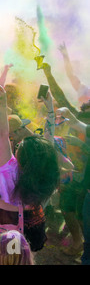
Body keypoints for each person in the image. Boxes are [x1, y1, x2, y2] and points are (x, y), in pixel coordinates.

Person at [0, 84, 60, 252]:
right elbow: (47, 146)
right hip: (34, 227)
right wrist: (50, 110)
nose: (18, 144)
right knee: (28, 257)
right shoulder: (43, 173)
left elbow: (4, 134)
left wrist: (3, 105)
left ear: (22, 156)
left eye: (20, 146)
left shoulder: (10, 171)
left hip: (10, 229)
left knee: (11, 260)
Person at [55, 107, 90, 264]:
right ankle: (78, 243)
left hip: (84, 183)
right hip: (72, 177)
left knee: (83, 217)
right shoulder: (78, 126)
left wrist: (82, 146)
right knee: (67, 209)